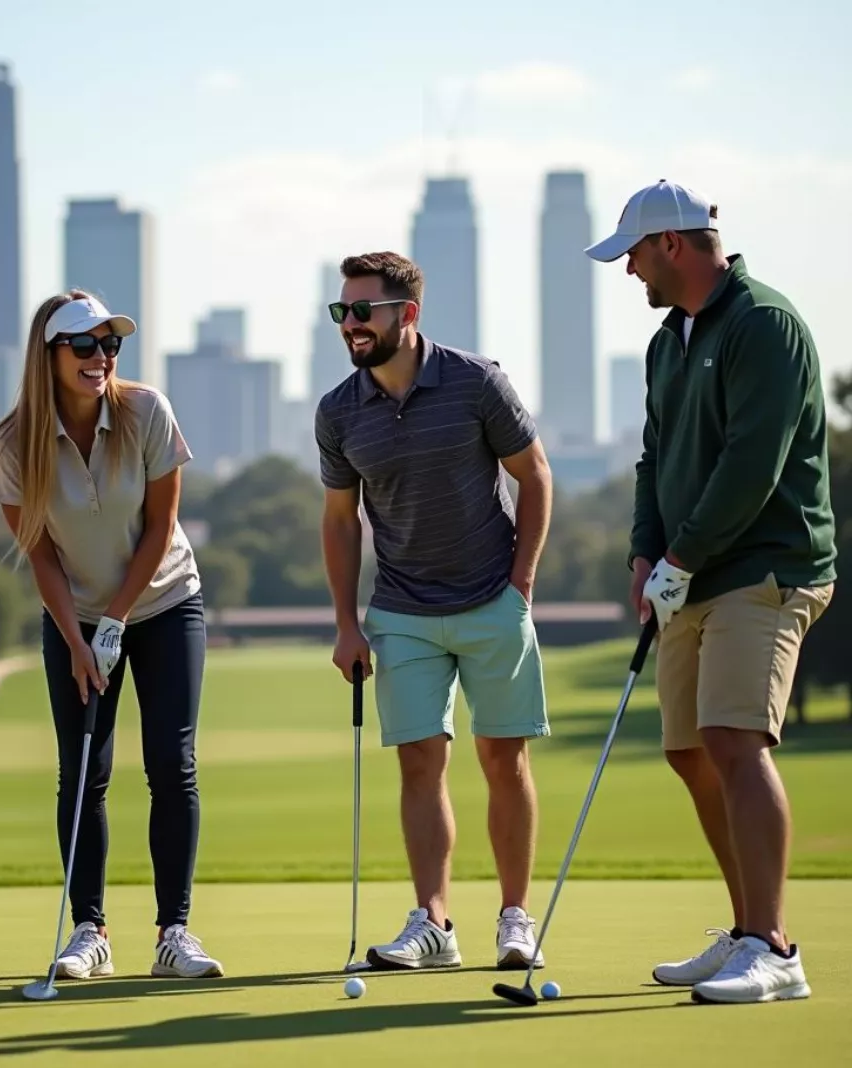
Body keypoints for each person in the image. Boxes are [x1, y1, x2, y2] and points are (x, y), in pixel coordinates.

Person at [586, 180, 837, 1003]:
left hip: (766, 567)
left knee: (734, 741)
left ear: (672, 245)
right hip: (687, 572)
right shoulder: (670, 341)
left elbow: (752, 466)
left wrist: (680, 558)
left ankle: (775, 948)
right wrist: (642, 553)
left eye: (632, 255)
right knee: (689, 750)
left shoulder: (765, 326)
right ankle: (743, 932)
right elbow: (656, 458)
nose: (628, 273)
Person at [314, 251, 554, 972]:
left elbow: (534, 475)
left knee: (503, 759)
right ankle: (435, 922)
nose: (350, 325)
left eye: (363, 311)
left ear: (406, 315)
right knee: (420, 762)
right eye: (341, 312)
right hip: (402, 611)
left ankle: (515, 918)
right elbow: (338, 520)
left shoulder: (476, 382)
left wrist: (523, 584)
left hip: (491, 598)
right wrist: (346, 623)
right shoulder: (339, 411)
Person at [0, 289, 223, 981]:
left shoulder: (147, 411)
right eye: (83, 345)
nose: (100, 357)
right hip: (76, 616)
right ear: (49, 355)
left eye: (109, 344)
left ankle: (175, 932)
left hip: (168, 601)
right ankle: (90, 931)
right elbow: (42, 555)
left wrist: (115, 619)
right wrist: (80, 640)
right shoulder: (13, 443)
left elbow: (159, 529)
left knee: (172, 764)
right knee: (84, 772)